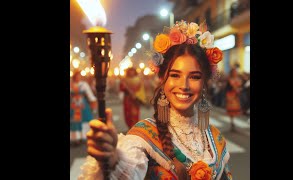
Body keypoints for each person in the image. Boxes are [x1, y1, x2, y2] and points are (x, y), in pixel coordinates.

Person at [78, 20, 232, 180]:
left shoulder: (214, 137)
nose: (184, 85)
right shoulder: (143, 136)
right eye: (175, 75)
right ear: (162, 79)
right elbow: (128, 172)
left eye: (194, 76)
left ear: (204, 83)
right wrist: (112, 160)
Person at [70, 70, 97, 146]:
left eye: (79, 76)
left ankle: (84, 137)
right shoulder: (71, 84)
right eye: (76, 76)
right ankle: (76, 138)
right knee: (75, 122)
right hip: (73, 106)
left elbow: (89, 94)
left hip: (82, 105)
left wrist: (93, 101)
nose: (78, 77)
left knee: (84, 120)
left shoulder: (84, 84)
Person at [225, 67, 243, 132]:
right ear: (232, 73)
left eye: (236, 72)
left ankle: (233, 123)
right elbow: (227, 88)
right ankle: (232, 123)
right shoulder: (229, 79)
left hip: (236, 96)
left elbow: (240, 86)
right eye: (234, 72)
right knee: (231, 110)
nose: (235, 73)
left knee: (235, 110)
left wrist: (239, 89)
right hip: (230, 95)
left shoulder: (238, 79)